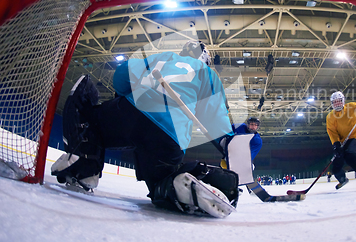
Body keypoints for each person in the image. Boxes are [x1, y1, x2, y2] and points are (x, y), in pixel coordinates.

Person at [51, 40, 239, 217]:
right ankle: (177, 186)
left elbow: (122, 74)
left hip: (133, 111)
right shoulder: (208, 74)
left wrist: (123, 96)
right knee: (160, 184)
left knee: (92, 123)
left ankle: (85, 170)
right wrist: (226, 143)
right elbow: (215, 114)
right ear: (205, 59)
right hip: (171, 135)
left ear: (183, 52)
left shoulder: (166, 57)